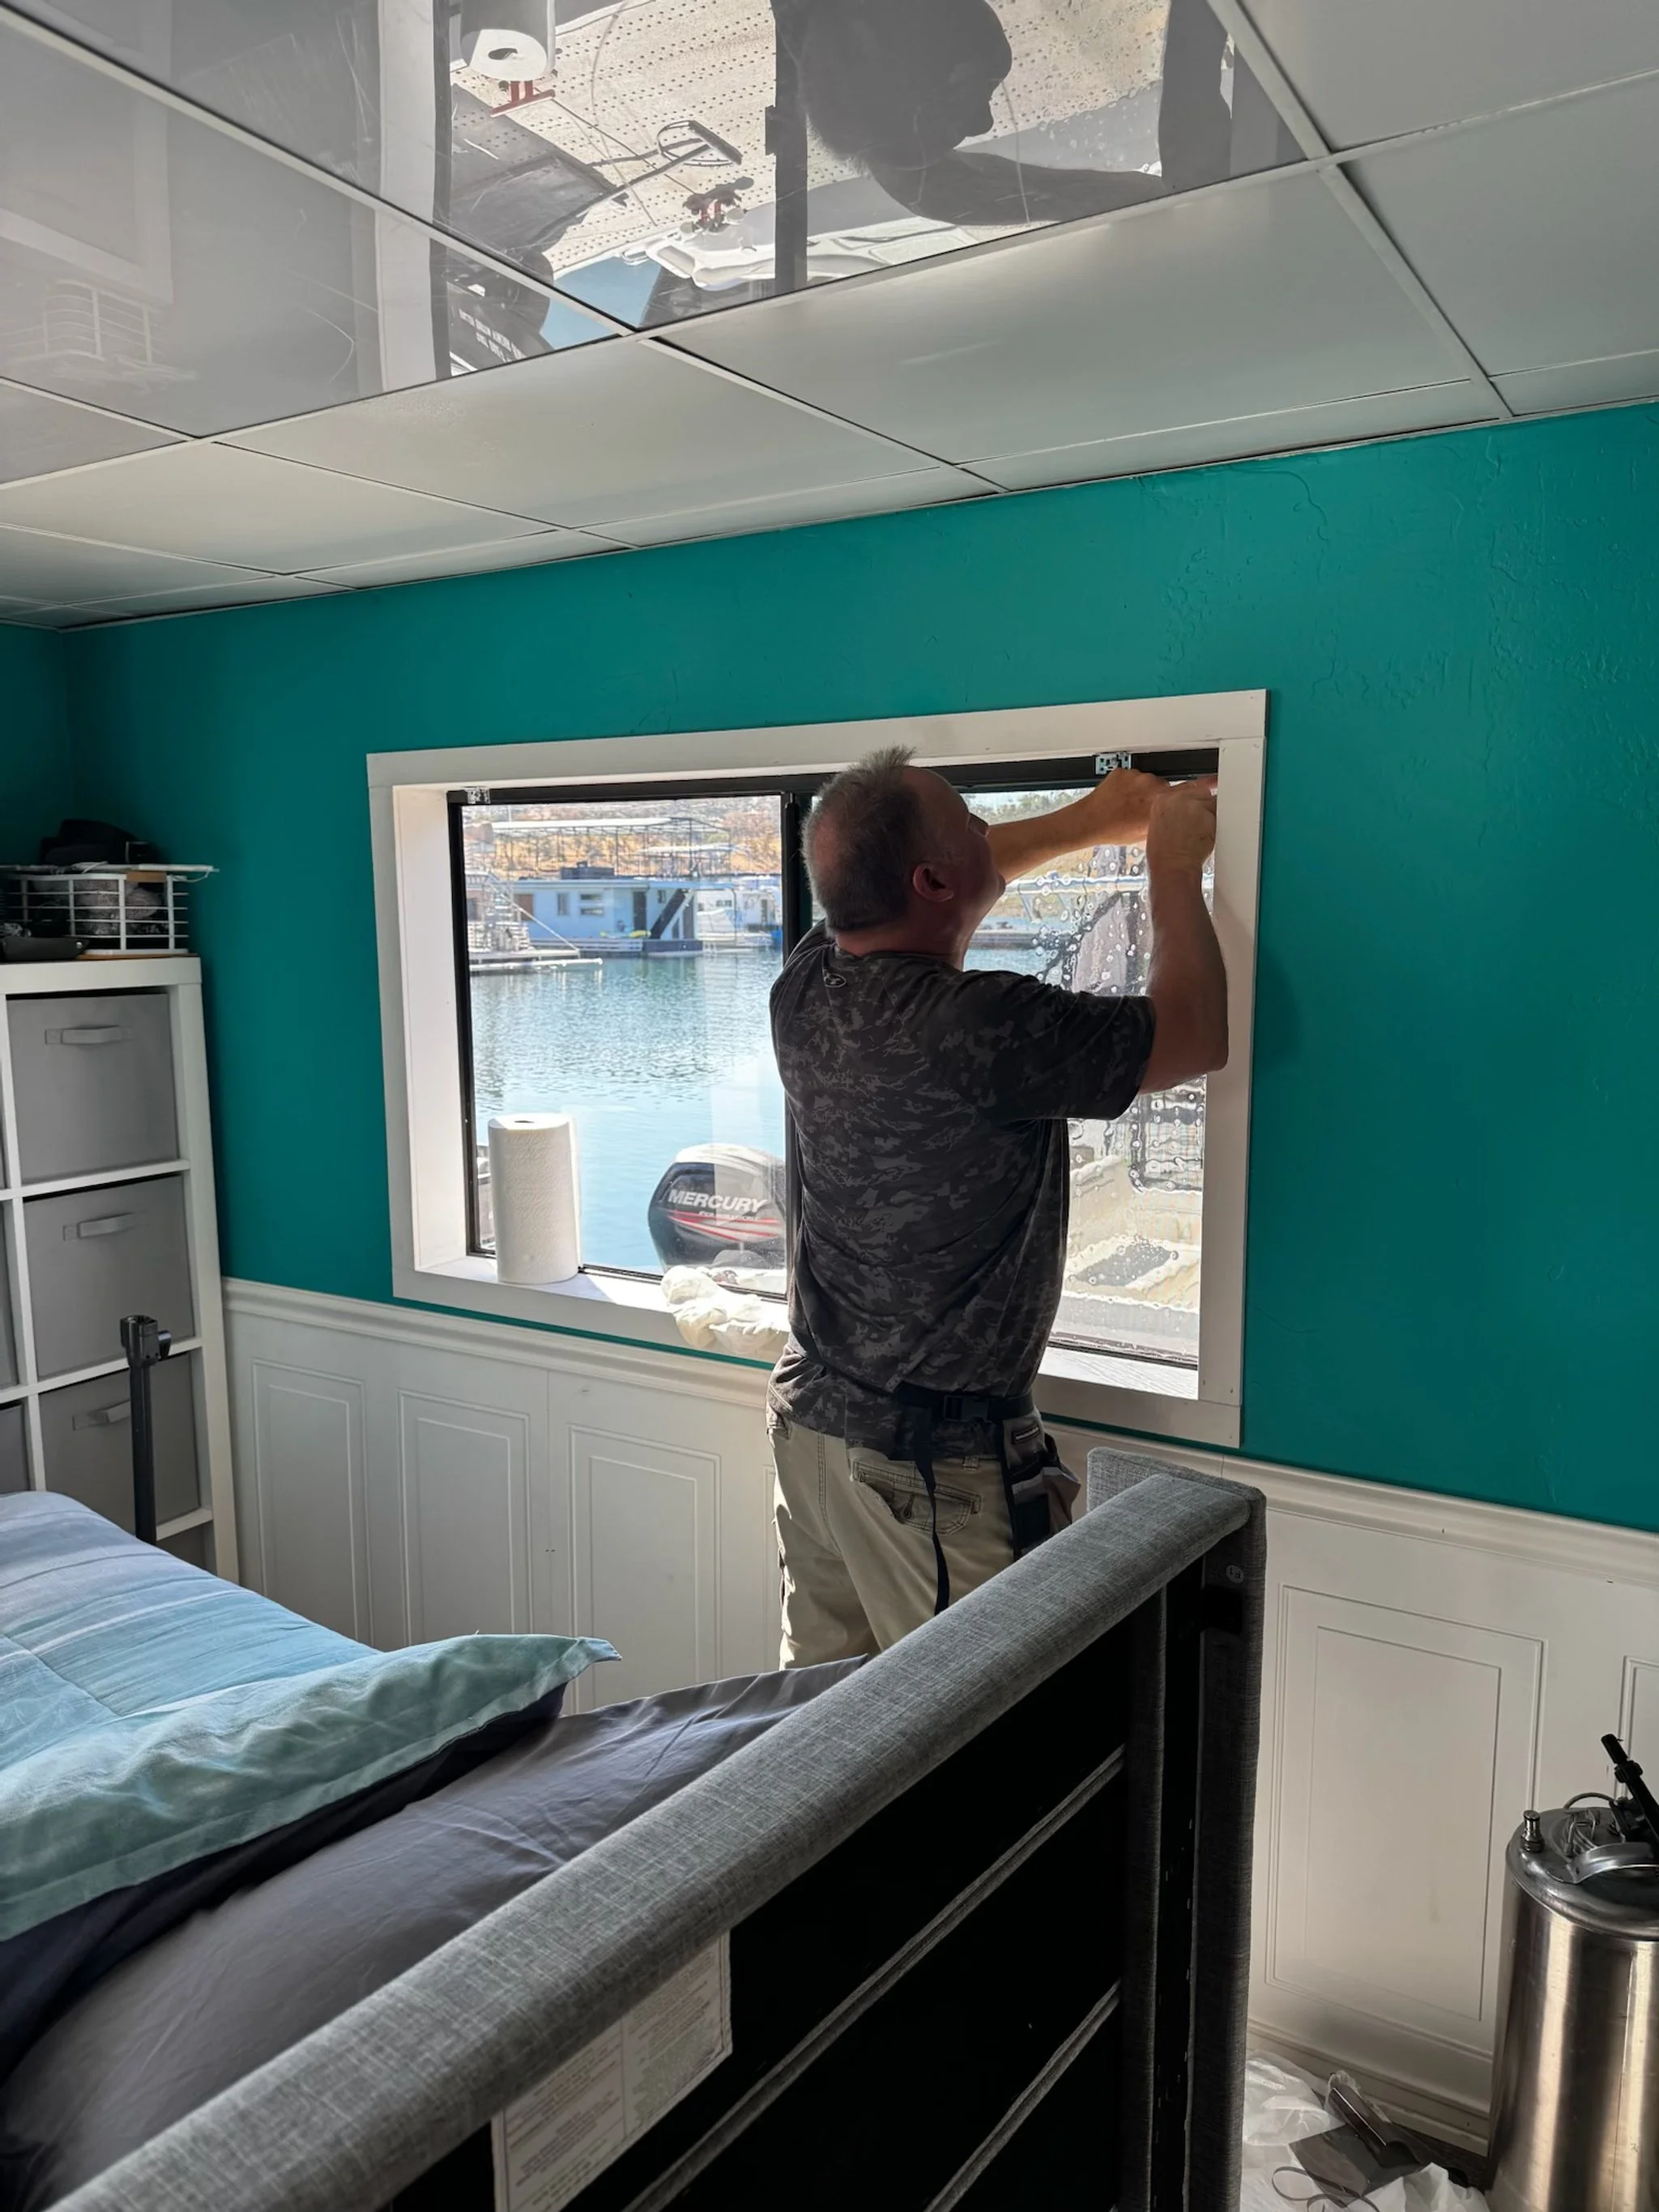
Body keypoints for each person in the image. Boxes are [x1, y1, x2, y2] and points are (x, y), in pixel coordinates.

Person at [768, 750, 1226, 1666]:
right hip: (923, 1474)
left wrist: (1095, 818)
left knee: (816, 1739)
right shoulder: (981, 1025)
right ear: (933, 879)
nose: (991, 834)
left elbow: (937, 876)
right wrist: (1171, 863)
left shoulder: (805, 985)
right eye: (970, 823)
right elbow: (1192, 1032)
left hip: (812, 1434)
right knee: (983, 1757)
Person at [783, 0, 1233, 229]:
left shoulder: (866, 40)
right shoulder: (846, 41)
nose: (986, 125)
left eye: (956, 108)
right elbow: (921, 179)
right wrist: (1159, 201)